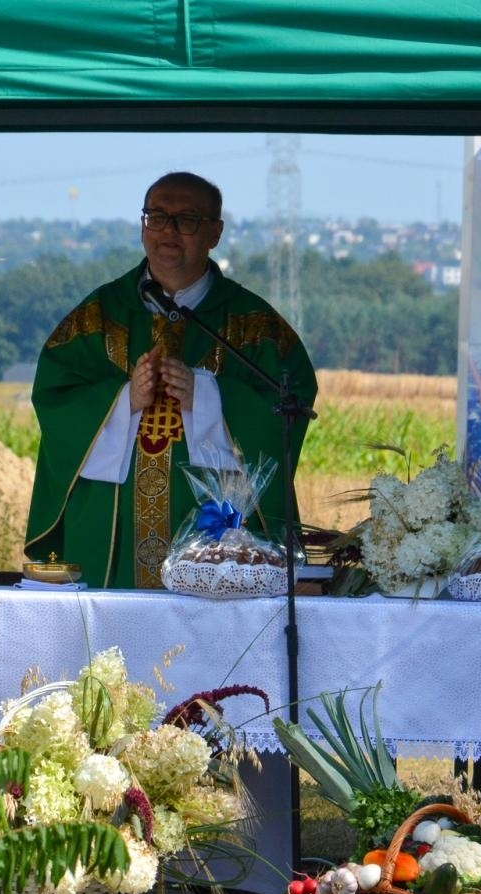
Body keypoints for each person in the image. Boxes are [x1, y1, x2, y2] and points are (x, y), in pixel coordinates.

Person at [26, 172, 318, 589]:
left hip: (218, 544)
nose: (168, 231)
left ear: (215, 232)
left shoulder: (255, 325)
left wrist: (209, 397)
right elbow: (55, 397)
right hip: (113, 537)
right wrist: (124, 398)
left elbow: (291, 405)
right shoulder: (98, 315)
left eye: (187, 220)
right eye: (156, 217)